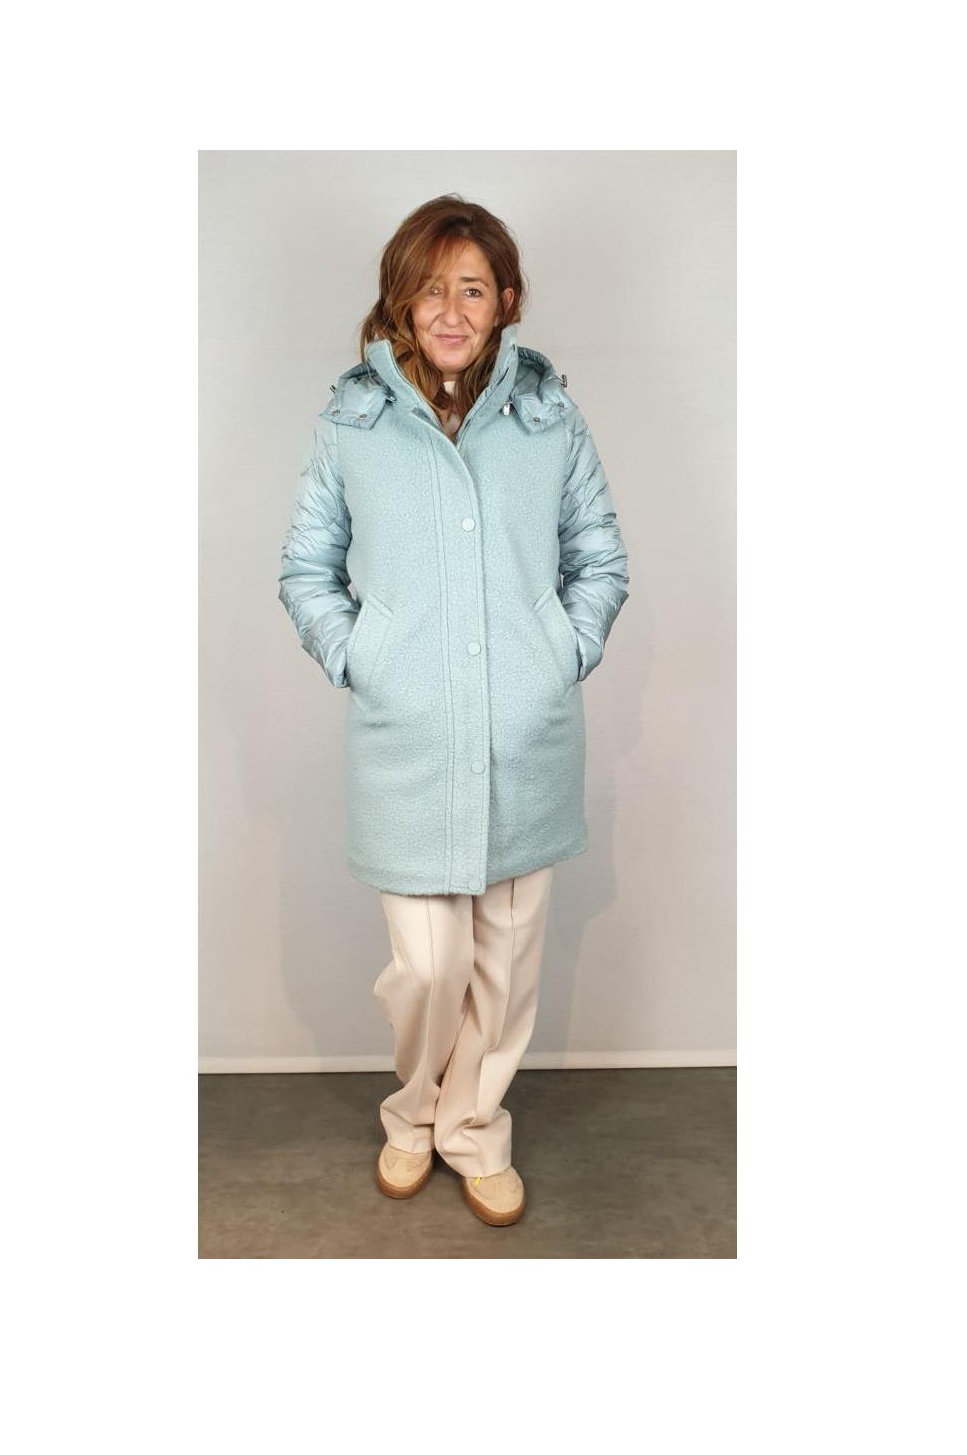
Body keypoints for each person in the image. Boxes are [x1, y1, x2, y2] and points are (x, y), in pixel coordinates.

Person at [278, 195, 629, 1226]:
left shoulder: (550, 419)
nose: (450, 310)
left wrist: (557, 653)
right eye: (431, 289)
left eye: (472, 289)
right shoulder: (352, 423)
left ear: (505, 301)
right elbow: (305, 567)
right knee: (429, 967)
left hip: (524, 736)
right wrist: (363, 657)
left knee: (505, 967)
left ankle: (474, 1129)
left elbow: (599, 556)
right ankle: (414, 1111)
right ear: (402, 299)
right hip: (411, 741)